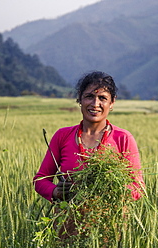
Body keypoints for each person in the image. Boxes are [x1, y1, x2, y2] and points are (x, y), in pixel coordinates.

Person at [34, 71, 144, 203]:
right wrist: (56, 192)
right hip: (66, 221)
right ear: (79, 99)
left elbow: (138, 188)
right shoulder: (62, 136)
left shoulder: (123, 138)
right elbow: (40, 180)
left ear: (112, 102)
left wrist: (111, 189)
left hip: (109, 221)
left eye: (102, 98)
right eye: (89, 96)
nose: (95, 103)